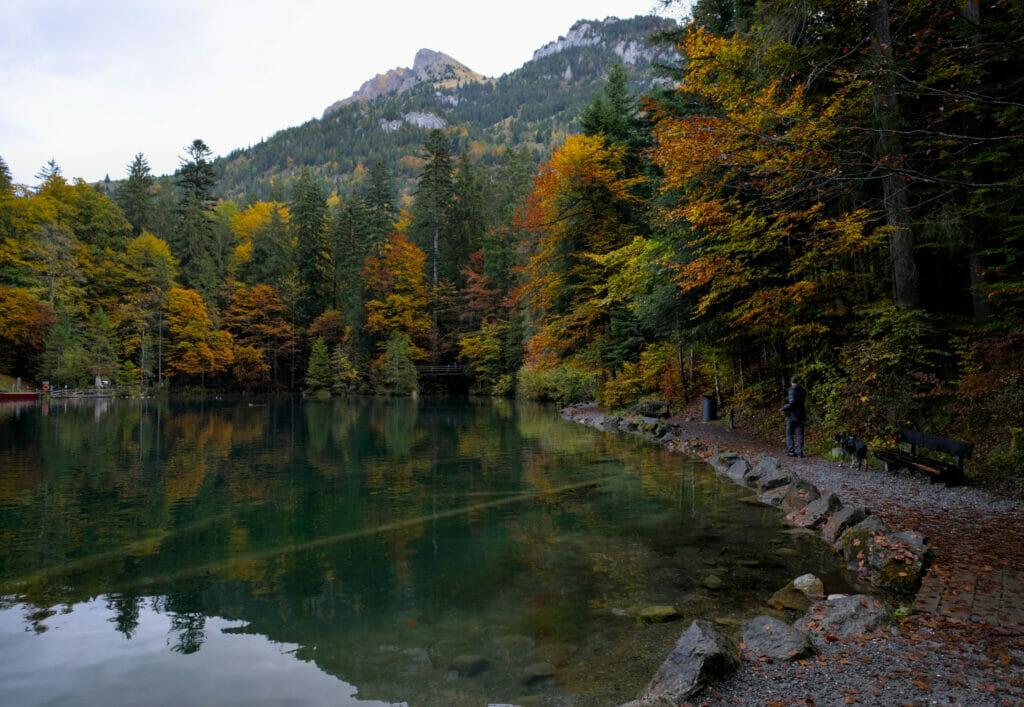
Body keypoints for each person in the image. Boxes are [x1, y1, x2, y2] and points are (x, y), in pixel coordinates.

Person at [782, 375, 807, 457]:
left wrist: (784, 408)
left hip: (792, 415)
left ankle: (791, 451)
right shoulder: (803, 390)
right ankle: (799, 452)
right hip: (801, 414)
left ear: (791, 382)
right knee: (799, 434)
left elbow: (792, 402)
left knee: (789, 433)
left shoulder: (791, 390)